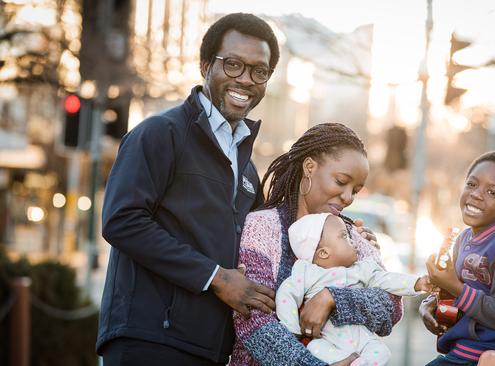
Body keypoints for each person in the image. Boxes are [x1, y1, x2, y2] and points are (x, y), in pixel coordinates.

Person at [98, 13, 280, 365]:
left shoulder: (247, 166)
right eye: (233, 65)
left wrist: (337, 236)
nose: (245, 80)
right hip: (148, 340)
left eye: (259, 71)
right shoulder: (160, 133)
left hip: (210, 348)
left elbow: (264, 241)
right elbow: (122, 221)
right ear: (205, 65)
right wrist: (215, 278)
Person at [230, 122, 404, 366]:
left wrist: (332, 297)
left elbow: (392, 308)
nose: (348, 197)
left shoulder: (354, 237)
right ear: (309, 167)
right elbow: (253, 322)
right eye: (341, 182)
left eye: (356, 190)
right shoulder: (263, 226)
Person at [421, 150, 495, 366]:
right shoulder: (464, 239)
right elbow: (451, 290)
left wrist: (454, 286)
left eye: (492, 192)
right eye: (472, 184)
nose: (476, 194)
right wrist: (429, 306)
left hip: (493, 357)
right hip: (462, 352)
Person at [277, 213, 432, 365]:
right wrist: (291, 329)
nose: (353, 241)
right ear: (323, 253)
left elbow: (386, 279)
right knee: (313, 348)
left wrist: (417, 283)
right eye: (344, 236)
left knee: (382, 352)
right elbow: (287, 293)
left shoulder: (361, 268)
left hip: (363, 339)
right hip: (327, 340)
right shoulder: (308, 272)